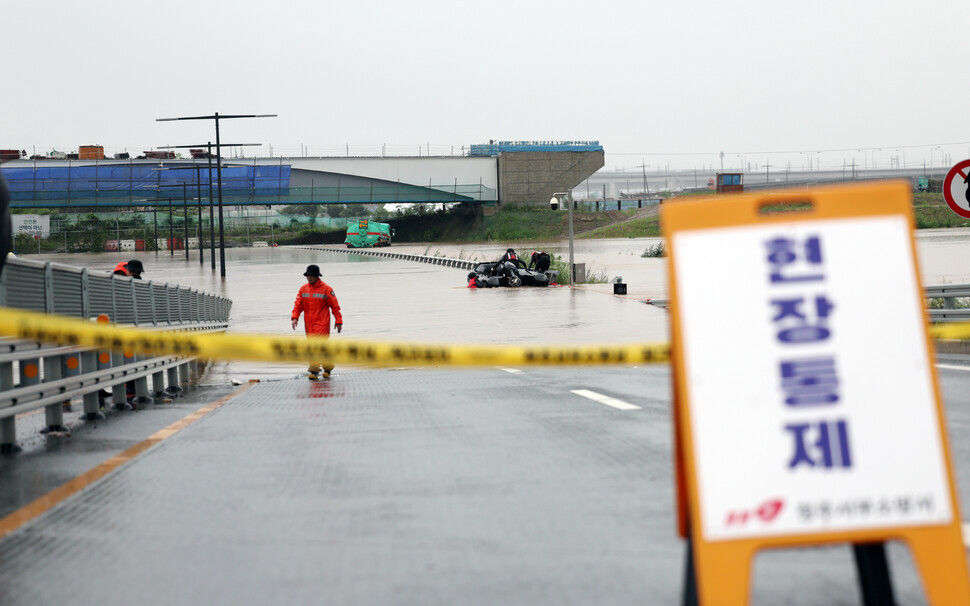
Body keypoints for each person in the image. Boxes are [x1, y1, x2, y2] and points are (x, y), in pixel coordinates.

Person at [291, 264, 343, 379]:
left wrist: (338, 321)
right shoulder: (303, 289)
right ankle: (327, 368)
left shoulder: (327, 289)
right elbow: (298, 305)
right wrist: (295, 317)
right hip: (309, 325)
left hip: (322, 323)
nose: (309, 278)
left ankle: (314, 371)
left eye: (311, 276)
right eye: (307, 276)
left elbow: (335, 306)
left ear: (316, 276)